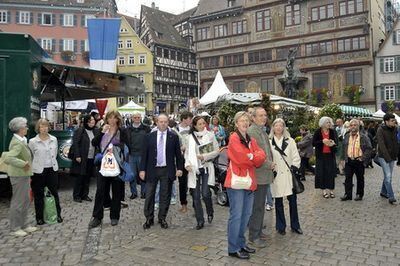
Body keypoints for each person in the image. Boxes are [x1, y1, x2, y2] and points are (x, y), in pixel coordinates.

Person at [224, 111, 266, 260]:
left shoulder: (251, 139)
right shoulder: (234, 138)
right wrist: (252, 156)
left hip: (249, 182)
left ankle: (241, 244)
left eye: (246, 120)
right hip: (236, 183)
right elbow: (240, 159)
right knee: (236, 215)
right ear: (236, 123)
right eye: (241, 120)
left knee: (246, 215)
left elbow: (262, 156)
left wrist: (252, 156)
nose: (244, 123)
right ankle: (233, 247)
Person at [140, 113, 183, 229]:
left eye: (165, 122)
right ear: (157, 122)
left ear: (168, 123)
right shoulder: (149, 136)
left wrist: (179, 168)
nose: (163, 124)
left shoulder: (173, 137)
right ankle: (149, 218)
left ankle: (162, 218)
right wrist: (142, 169)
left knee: (165, 195)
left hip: (166, 170)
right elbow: (144, 155)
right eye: (161, 122)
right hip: (151, 169)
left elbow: (178, 155)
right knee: (149, 195)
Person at [88, 110, 129, 228]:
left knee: (116, 191)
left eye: (114, 118)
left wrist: (115, 146)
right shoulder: (101, 130)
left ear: (117, 119)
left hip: (116, 165)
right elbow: (94, 142)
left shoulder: (122, 131)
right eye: (109, 118)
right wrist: (102, 132)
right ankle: (97, 217)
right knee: (100, 191)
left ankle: (114, 216)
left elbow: (127, 146)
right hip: (103, 165)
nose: (111, 120)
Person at [3, 117, 38, 237]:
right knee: (18, 201)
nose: (27, 128)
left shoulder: (22, 140)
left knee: (25, 200)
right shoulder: (17, 142)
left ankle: (24, 224)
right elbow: (8, 158)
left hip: (24, 174)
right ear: (20, 129)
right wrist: (23, 164)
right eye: (25, 126)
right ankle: (15, 227)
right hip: (18, 175)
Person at [247, 107, 275, 248]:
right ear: (253, 118)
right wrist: (269, 164)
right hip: (258, 175)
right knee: (257, 207)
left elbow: (266, 151)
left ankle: (258, 231)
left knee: (260, 206)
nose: (264, 118)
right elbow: (255, 155)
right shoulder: (252, 132)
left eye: (265, 115)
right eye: (260, 115)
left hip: (264, 175)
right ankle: (254, 236)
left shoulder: (261, 130)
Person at [185, 116, 219, 230]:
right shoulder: (189, 137)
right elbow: (187, 154)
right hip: (194, 169)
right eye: (199, 124)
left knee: (205, 193)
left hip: (206, 168)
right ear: (194, 125)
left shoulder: (210, 135)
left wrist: (204, 156)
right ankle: (200, 220)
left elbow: (216, 151)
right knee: (195, 195)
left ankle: (210, 211)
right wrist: (187, 164)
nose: (202, 126)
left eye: (203, 123)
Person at [269, 118, 302, 236]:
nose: (278, 128)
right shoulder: (269, 142)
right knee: (278, 203)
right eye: (276, 126)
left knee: (293, 201)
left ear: (284, 128)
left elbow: (296, 156)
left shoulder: (290, 141)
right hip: (277, 176)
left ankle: (295, 225)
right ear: (273, 127)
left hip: (289, 175)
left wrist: (294, 167)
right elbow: (268, 158)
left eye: (281, 125)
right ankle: (280, 226)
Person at [29, 118, 63, 225]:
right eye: (41, 126)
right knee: (38, 195)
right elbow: (31, 156)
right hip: (38, 171)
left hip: (52, 169)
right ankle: (39, 217)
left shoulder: (54, 139)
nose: (44, 128)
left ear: (49, 127)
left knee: (54, 193)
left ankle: (57, 215)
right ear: (38, 128)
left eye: (46, 126)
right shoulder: (32, 141)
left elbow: (55, 153)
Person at [340, 119, 372, 201]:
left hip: (359, 161)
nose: (353, 127)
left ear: (358, 126)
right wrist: (343, 159)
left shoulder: (363, 136)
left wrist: (363, 158)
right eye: (351, 125)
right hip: (349, 160)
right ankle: (347, 194)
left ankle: (359, 194)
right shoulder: (347, 136)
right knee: (348, 178)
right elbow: (344, 148)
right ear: (349, 127)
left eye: (355, 125)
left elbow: (369, 148)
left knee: (360, 179)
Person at [71, 114, 98, 203]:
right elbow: (75, 143)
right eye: (91, 120)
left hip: (91, 157)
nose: (93, 121)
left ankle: (85, 195)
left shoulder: (95, 131)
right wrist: (77, 155)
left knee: (87, 177)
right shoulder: (80, 130)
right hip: (82, 158)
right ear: (86, 122)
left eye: (93, 120)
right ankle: (77, 195)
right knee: (80, 177)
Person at [126, 112, 150, 200]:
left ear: (141, 118)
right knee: (132, 175)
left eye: (138, 117)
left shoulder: (146, 128)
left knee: (143, 174)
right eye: (135, 117)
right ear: (132, 118)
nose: (137, 119)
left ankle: (144, 192)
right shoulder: (128, 129)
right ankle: (133, 193)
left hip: (142, 155)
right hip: (131, 155)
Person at [172, 111, 193, 213]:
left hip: (192, 159)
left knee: (194, 181)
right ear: (184, 119)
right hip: (181, 159)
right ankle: (183, 203)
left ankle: (195, 203)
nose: (191, 121)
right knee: (182, 182)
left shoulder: (193, 129)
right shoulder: (175, 130)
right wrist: (180, 148)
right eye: (189, 119)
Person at [313, 116, 338, 198]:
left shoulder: (332, 131)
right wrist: (322, 141)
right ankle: (324, 190)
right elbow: (313, 143)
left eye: (329, 122)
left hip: (330, 155)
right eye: (327, 122)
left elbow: (336, 141)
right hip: (321, 156)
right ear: (322, 123)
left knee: (330, 173)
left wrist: (332, 143)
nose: (329, 124)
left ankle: (331, 190)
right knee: (321, 173)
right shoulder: (318, 131)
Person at [376, 113, 398, 204]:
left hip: (392, 156)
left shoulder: (395, 129)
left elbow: (397, 142)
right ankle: (391, 196)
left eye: (394, 120)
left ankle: (383, 192)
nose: (394, 122)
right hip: (383, 157)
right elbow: (381, 145)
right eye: (392, 121)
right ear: (386, 121)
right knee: (388, 176)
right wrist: (388, 158)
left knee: (387, 176)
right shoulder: (380, 130)